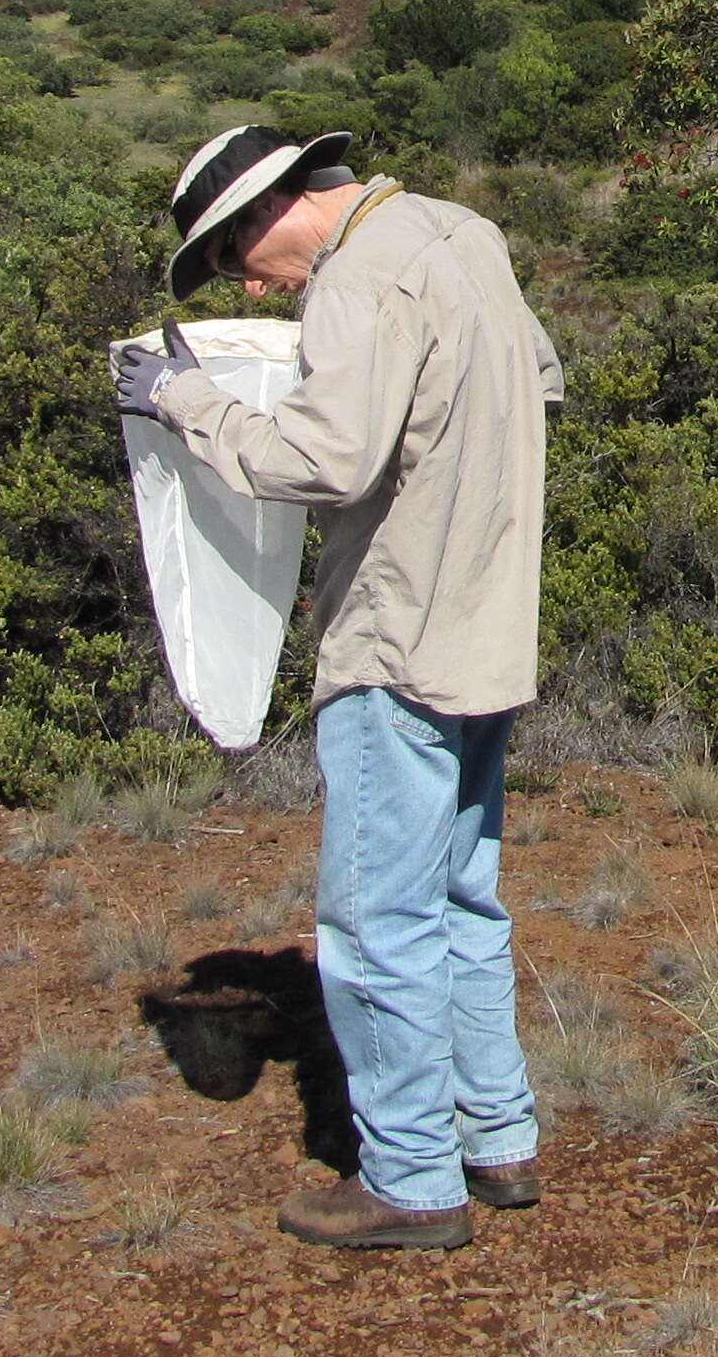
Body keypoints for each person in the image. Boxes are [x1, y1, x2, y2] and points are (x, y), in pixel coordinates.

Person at [114, 123, 566, 1250]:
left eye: (232, 260)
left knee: (374, 921)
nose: (250, 283)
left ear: (265, 211)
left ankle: (412, 1181)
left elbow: (326, 461)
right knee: (465, 898)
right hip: (489, 631)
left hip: (397, 642)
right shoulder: (468, 236)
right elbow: (541, 384)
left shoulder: (357, 279)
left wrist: (187, 400)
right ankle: (495, 1140)